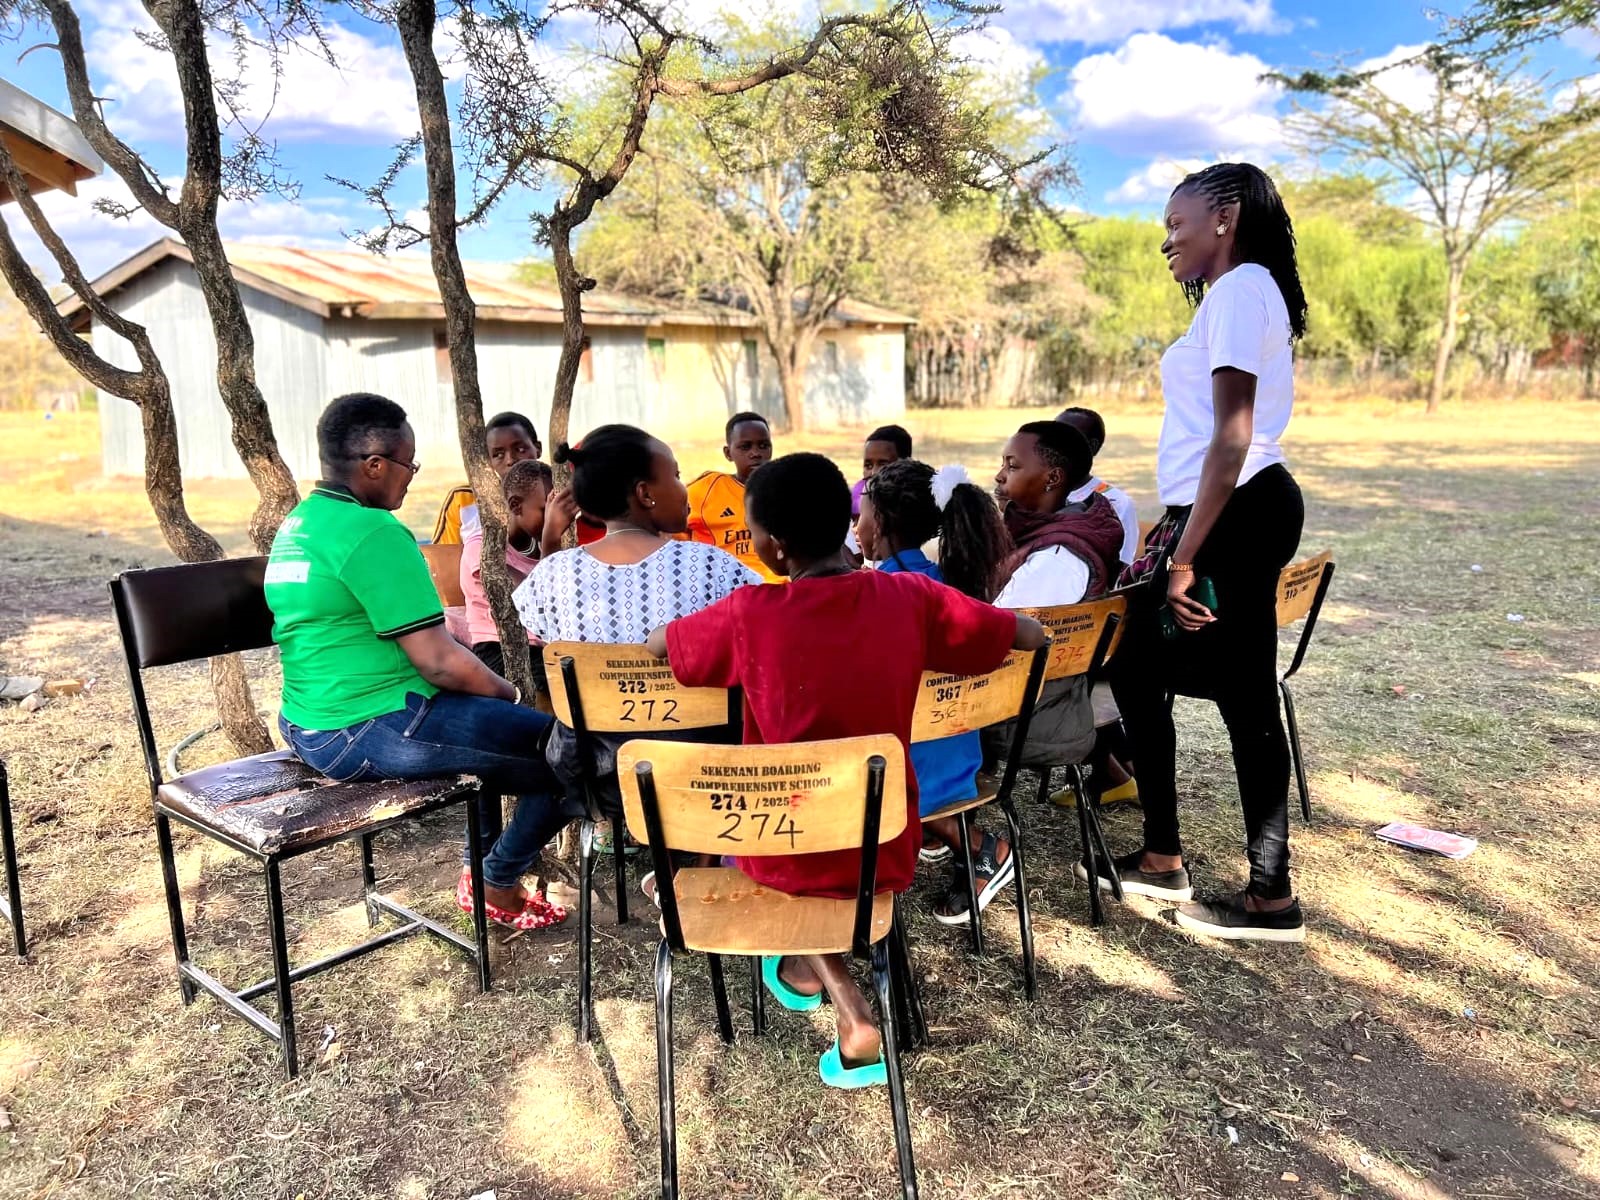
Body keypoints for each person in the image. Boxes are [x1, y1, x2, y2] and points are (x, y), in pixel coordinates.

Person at [648, 453, 1046, 1088]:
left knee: (743, 840)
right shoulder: (911, 597)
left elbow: (663, 650)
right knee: (791, 836)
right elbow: (1025, 633)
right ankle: (820, 981)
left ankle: (834, 990)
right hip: (883, 847)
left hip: (780, 847)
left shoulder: (751, 612)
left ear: (775, 548)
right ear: (846, 522)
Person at [1090, 161, 1308, 943]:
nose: (1166, 241)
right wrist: (1173, 524)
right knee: (1139, 666)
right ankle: (1163, 857)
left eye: (1175, 224)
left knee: (1239, 696)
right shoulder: (1236, 295)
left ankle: (1269, 898)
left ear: (1224, 216)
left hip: (1237, 510)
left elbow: (1234, 435)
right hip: (1222, 509)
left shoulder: (1241, 288)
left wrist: (1188, 549)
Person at [266, 393, 572, 932]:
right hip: (367, 724)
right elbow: (439, 663)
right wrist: (511, 695)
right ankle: (494, 878)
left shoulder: (302, 522)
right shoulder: (374, 533)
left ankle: (481, 873)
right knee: (574, 753)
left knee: (494, 748)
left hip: (307, 720)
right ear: (375, 464)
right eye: (409, 464)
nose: (411, 477)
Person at [513, 425, 759, 830]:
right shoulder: (713, 568)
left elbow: (543, 636)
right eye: (677, 476)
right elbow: (765, 618)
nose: (684, 489)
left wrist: (551, 547)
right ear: (645, 494)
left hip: (599, 776)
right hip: (705, 771)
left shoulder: (553, 574)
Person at [855, 458, 1018, 926]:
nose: (856, 525)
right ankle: (937, 835)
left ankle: (981, 845)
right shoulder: (952, 583)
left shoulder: (876, 596)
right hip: (958, 761)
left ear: (879, 522)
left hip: (906, 778)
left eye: (861, 513)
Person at [1055, 406, 1141, 806]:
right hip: (1057, 617)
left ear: (1089, 448)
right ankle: (1122, 765)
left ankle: (1113, 771)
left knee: (1061, 679)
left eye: (1063, 434)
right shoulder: (1045, 483)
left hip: (1091, 624)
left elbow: (1117, 575)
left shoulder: (1111, 500)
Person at [681, 411, 780, 582]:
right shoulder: (706, 490)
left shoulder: (787, 488)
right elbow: (670, 533)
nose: (755, 453)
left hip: (780, 587)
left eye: (763, 445)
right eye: (745, 447)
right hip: (725, 588)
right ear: (728, 453)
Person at [431, 411, 543, 545]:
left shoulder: (556, 493)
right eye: (498, 455)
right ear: (488, 461)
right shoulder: (463, 499)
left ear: (538, 449)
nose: (510, 460)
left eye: (520, 449)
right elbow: (441, 557)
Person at [1056, 407, 1140, 567]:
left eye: (1066, 437)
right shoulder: (1035, 493)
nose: (1053, 442)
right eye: (1052, 434)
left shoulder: (1116, 503)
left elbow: (1119, 569)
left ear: (1092, 446)